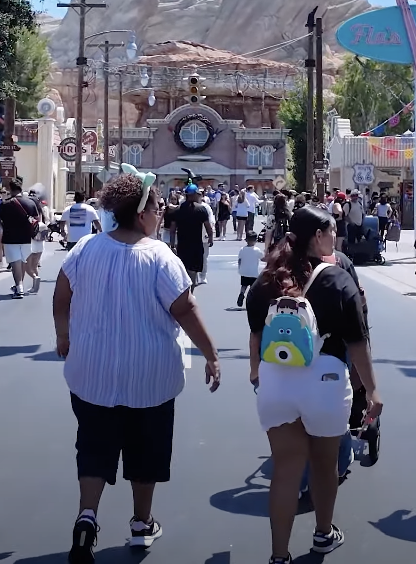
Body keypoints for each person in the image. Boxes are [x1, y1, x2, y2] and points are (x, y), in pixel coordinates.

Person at [54, 172, 222, 563]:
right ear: (143, 212)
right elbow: (185, 311)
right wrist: (212, 354)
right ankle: (141, 523)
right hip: (150, 376)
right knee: (146, 454)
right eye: (158, 206)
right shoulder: (161, 257)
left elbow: (61, 297)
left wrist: (63, 336)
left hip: (91, 373)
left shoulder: (84, 250)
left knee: (93, 448)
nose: (161, 213)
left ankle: (86, 517)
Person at [246, 205, 380, 562]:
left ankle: (278, 555)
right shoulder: (337, 279)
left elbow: (256, 332)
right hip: (325, 379)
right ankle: (323, 533)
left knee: (286, 469)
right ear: (318, 236)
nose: (334, 237)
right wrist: (372, 390)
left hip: (276, 380)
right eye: (330, 231)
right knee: (324, 466)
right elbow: (357, 341)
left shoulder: (267, 281)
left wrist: (254, 371)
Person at [0, 178, 43, 298]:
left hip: (10, 237)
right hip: (27, 237)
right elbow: (37, 218)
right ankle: (20, 285)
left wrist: (3, 227)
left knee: (15, 264)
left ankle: (19, 288)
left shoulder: (5, 204)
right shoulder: (30, 203)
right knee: (22, 261)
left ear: (10, 189)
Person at [172, 184, 215, 288]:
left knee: (184, 270)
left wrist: (172, 244)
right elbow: (208, 226)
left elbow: (172, 229)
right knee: (193, 271)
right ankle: (190, 293)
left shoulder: (178, 210)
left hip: (182, 245)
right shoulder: (201, 209)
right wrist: (210, 237)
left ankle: (185, 293)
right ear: (193, 195)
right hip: (196, 245)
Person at [237, 228, 273, 309]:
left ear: (246, 240)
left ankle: (241, 294)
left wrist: (240, 268)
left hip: (244, 271)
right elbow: (263, 258)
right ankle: (251, 301)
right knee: (253, 288)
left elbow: (239, 260)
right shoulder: (257, 250)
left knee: (244, 285)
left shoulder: (242, 249)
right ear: (255, 240)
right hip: (253, 273)